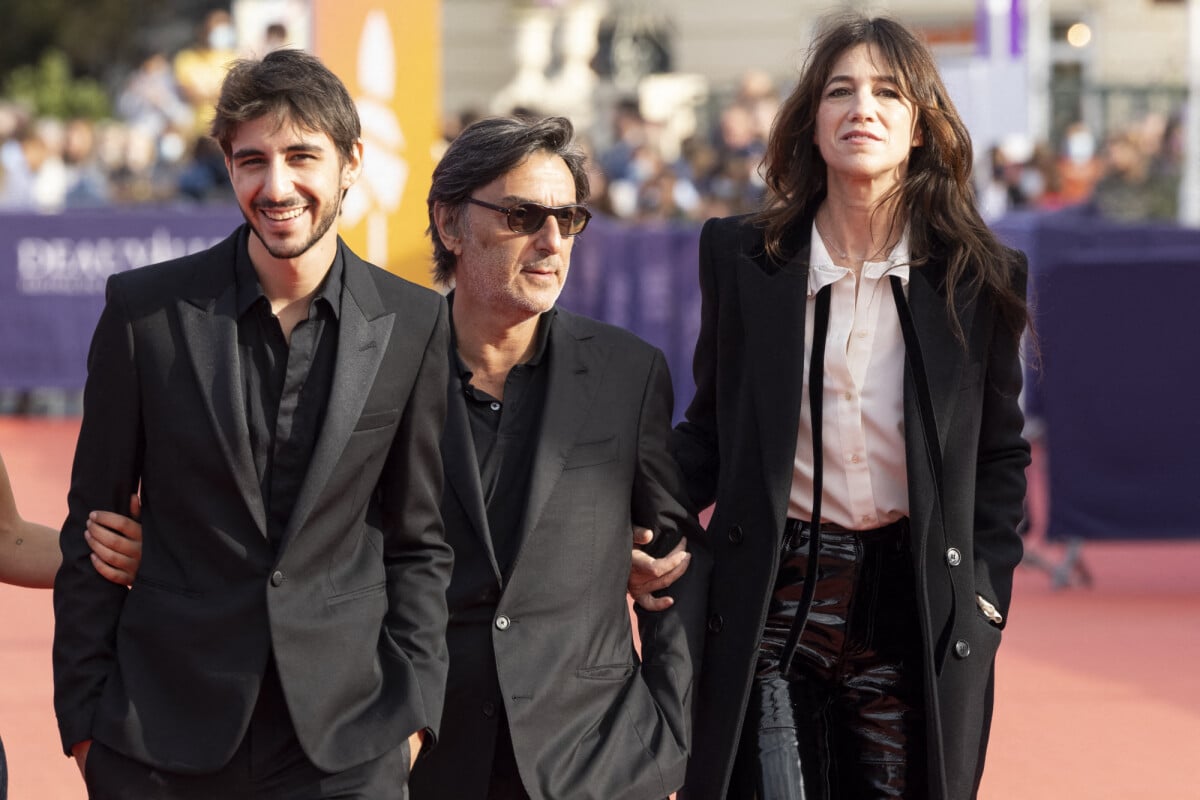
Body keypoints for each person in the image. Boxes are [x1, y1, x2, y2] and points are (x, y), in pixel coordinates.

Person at [52, 48, 453, 799]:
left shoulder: (414, 323)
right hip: (162, 737)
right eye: (251, 160)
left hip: (348, 742)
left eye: (302, 156)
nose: (277, 187)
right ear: (227, 166)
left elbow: (419, 541)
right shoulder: (147, 313)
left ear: (351, 162)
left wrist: (411, 719)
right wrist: (84, 725)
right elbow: (93, 529)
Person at [671, 14, 1030, 800]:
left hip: (913, 610)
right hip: (776, 593)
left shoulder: (978, 277)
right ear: (812, 120)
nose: (861, 107)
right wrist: (644, 516)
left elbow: (1001, 455)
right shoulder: (742, 258)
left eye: (888, 92)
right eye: (841, 90)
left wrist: (986, 596)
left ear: (921, 129)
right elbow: (710, 430)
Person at [409, 114, 709, 800]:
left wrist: (664, 735)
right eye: (522, 215)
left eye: (568, 218)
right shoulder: (385, 369)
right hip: (424, 762)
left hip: (594, 762)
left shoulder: (627, 374)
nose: (551, 242)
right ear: (450, 224)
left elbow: (677, 563)